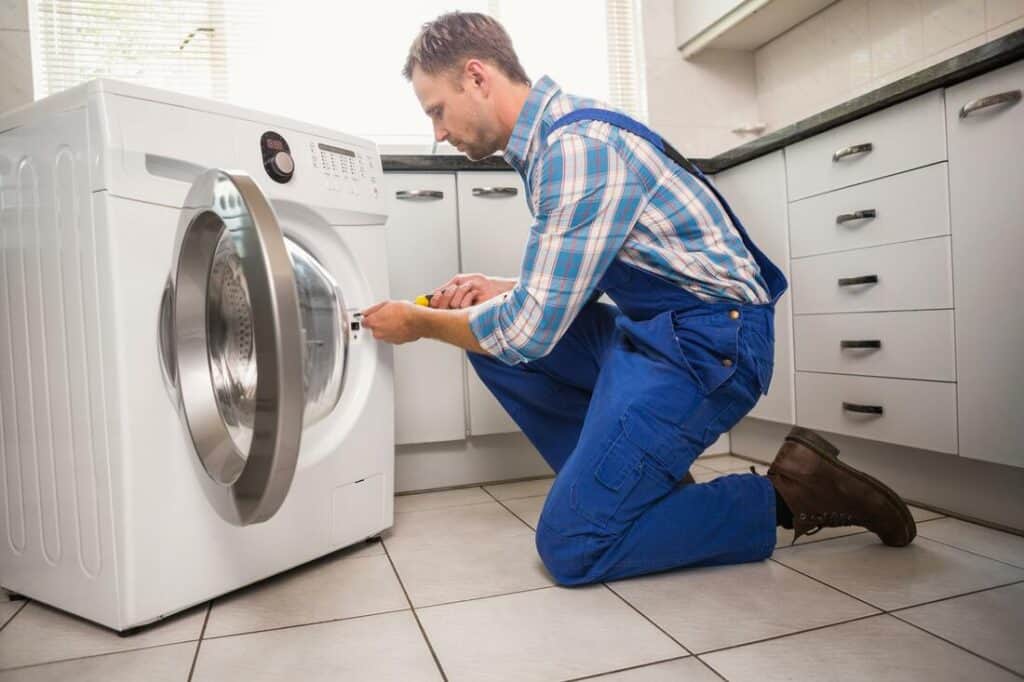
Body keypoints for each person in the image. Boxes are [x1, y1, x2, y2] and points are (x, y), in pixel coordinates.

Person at [361, 11, 916, 586]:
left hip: (712, 344)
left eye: (436, 111)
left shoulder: (575, 149)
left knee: (572, 546)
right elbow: (601, 263)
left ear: (476, 77)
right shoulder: (556, 138)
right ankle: (635, 489)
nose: (438, 133)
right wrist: (505, 288)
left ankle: (788, 494)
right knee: (487, 339)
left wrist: (419, 323)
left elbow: (528, 332)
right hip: (658, 330)